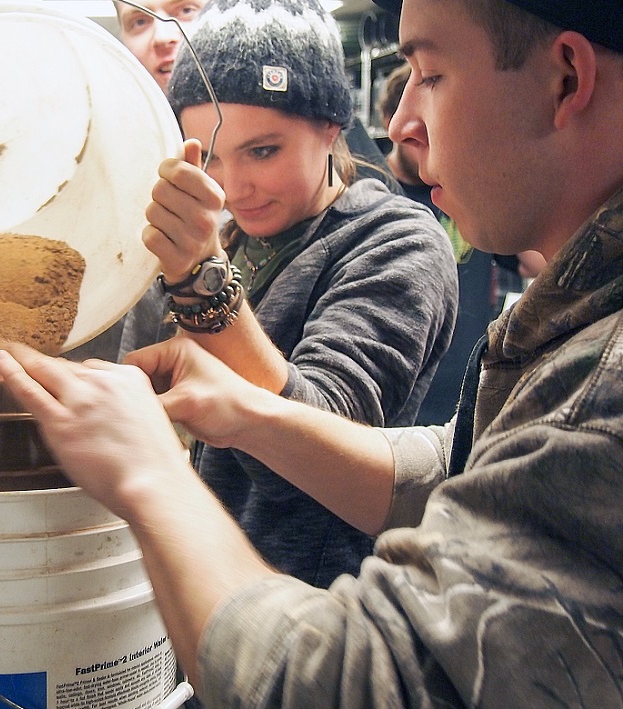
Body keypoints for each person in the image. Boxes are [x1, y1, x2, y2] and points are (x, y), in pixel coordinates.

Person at [0, 0, 623, 705]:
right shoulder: (570, 322)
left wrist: (151, 474)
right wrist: (247, 416)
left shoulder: (588, 376)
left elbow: (356, 683)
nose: (400, 123)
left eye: (432, 74)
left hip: (300, 608)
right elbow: (456, 462)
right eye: (214, 157)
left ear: (567, 79)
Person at [120, 0, 458, 588]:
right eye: (212, 158)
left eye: (263, 150)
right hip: (196, 594)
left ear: (331, 126)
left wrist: (203, 281)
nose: (234, 186)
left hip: (312, 617)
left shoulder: (394, 244)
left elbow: (317, 447)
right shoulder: (225, 236)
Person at [378, 61, 496, 425]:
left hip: (466, 399)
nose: (429, 149)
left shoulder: (468, 193)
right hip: (399, 411)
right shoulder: (373, 200)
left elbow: (531, 260)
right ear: (392, 122)